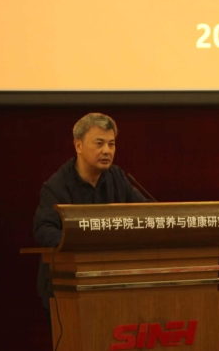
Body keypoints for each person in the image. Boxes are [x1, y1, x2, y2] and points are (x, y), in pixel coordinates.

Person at [32, 112, 146, 319]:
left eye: (111, 144)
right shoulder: (57, 185)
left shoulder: (117, 177)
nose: (107, 151)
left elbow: (145, 213)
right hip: (66, 287)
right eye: (99, 143)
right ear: (78, 145)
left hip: (112, 282)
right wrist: (81, 241)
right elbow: (43, 229)